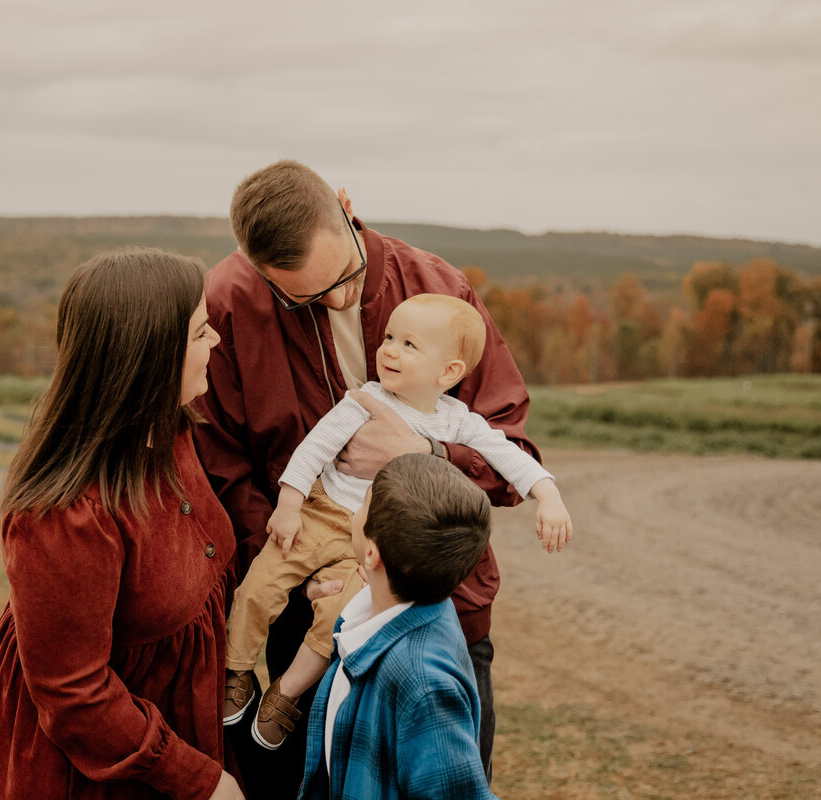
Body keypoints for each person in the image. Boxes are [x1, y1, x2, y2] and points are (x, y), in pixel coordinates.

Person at [193, 159, 544, 793]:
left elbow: (513, 452)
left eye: (344, 276)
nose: (337, 300)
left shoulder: (439, 289)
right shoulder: (227, 303)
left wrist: (423, 456)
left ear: (349, 207)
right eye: (302, 297)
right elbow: (224, 468)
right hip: (307, 612)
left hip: (438, 607)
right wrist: (301, 561)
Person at [223, 293, 572, 750]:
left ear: (448, 373)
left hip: (368, 540)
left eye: (409, 345)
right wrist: (288, 506)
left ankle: (285, 692)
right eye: (389, 337)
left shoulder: (458, 423)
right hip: (319, 516)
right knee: (261, 585)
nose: (389, 350)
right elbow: (314, 447)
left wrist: (548, 496)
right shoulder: (364, 400)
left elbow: (508, 455)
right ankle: (236, 668)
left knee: (335, 621)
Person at [0, 248, 245, 800]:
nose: (214, 343)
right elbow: (75, 697)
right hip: (98, 771)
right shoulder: (66, 514)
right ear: (149, 354)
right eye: (200, 332)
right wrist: (199, 781)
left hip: (179, 731)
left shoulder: (173, 433)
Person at [297, 452, 498, 799]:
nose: (355, 511)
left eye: (363, 504)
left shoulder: (424, 685)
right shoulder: (382, 610)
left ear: (373, 554)